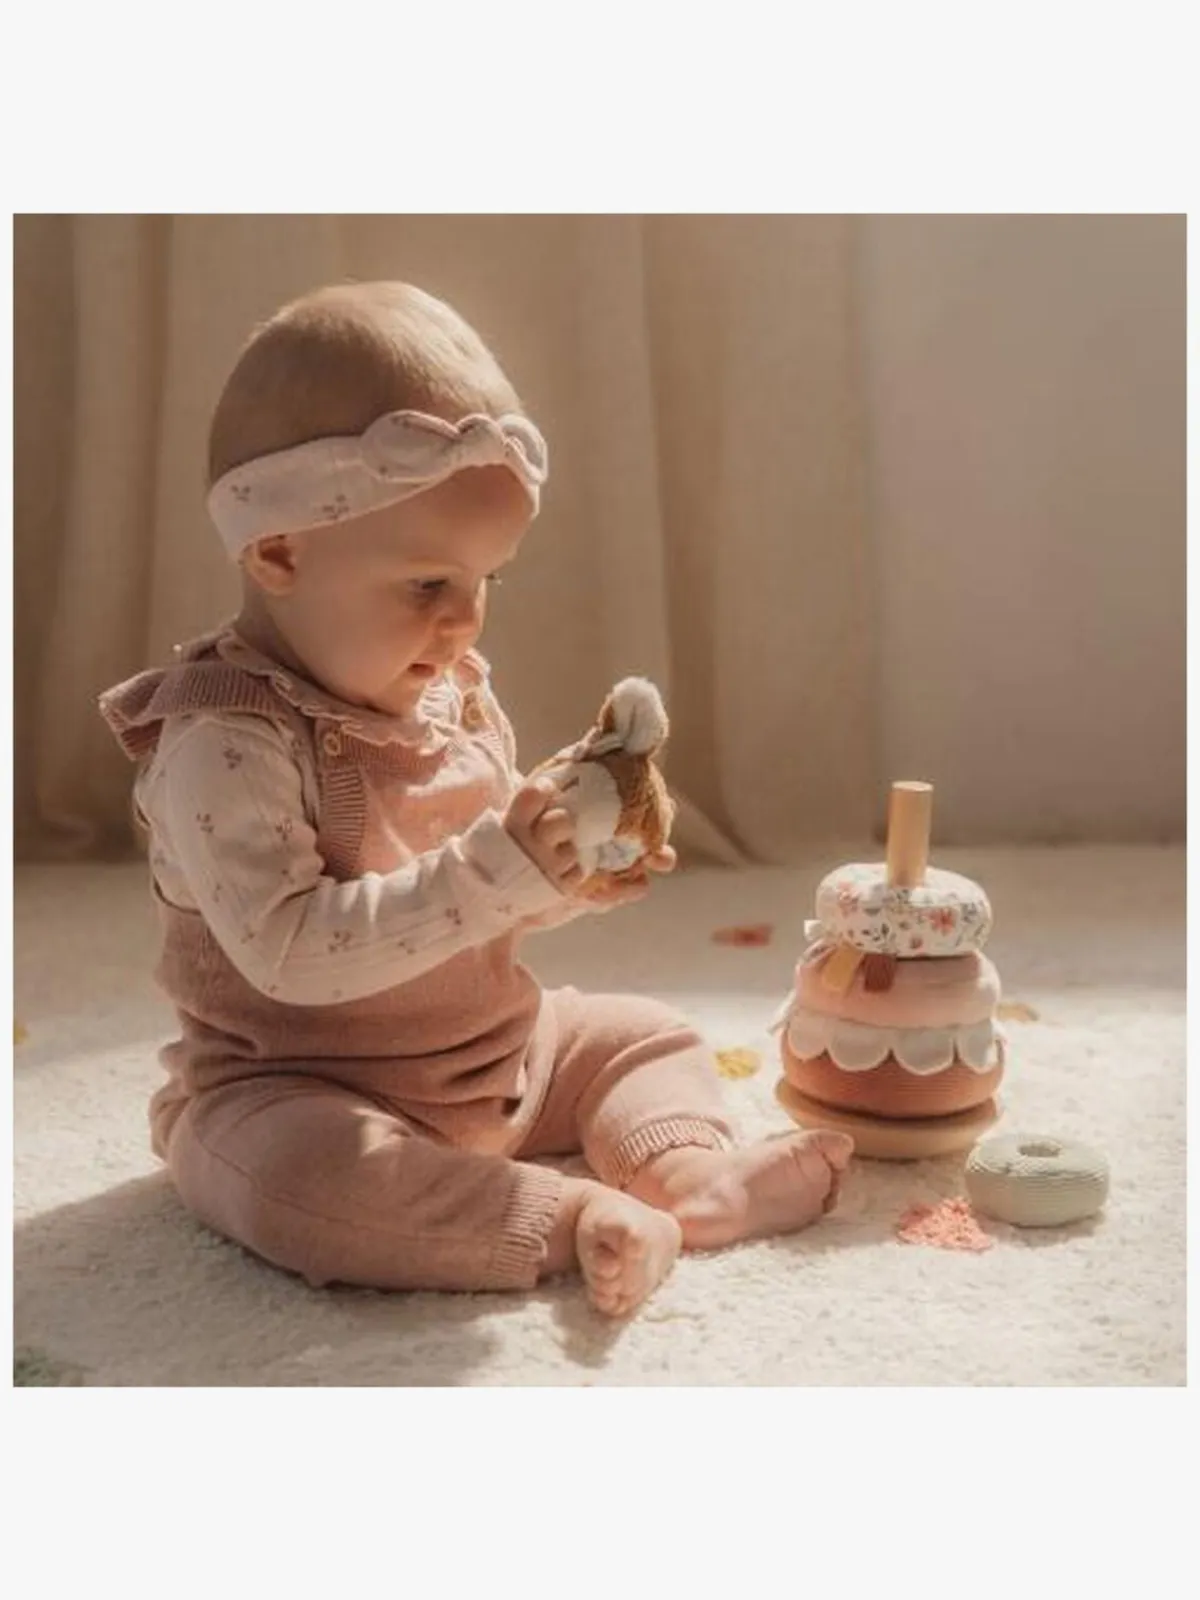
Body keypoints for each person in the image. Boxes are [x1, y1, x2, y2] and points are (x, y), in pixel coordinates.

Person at [100, 281, 852, 1318]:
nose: (464, 623)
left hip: (499, 1055)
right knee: (292, 1185)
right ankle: (565, 1217)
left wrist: (567, 874)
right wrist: (502, 875)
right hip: (299, 1088)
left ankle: (684, 1175)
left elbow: (480, 904)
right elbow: (291, 953)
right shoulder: (221, 743)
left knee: (644, 1034)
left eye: (486, 581)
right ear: (278, 553)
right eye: (427, 586)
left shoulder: (446, 692)